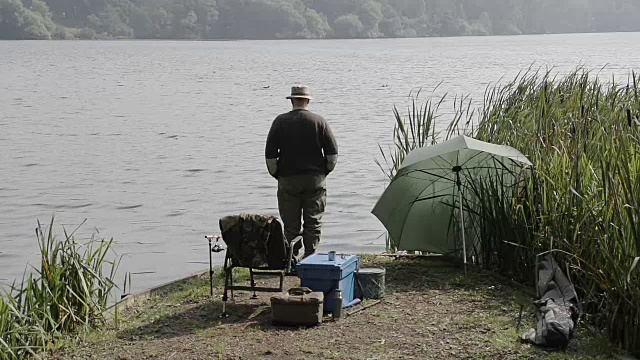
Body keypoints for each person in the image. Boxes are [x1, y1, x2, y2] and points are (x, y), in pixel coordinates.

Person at [265, 85, 338, 258]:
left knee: (290, 224)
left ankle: (291, 258)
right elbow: (332, 155)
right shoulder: (319, 121)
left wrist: (277, 175)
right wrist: (324, 173)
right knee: (313, 222)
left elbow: (270, 156)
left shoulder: (279, 121)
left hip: (288, 180)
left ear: (292, 101)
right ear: (307, 101)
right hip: (315, 179)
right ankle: (310, 256)